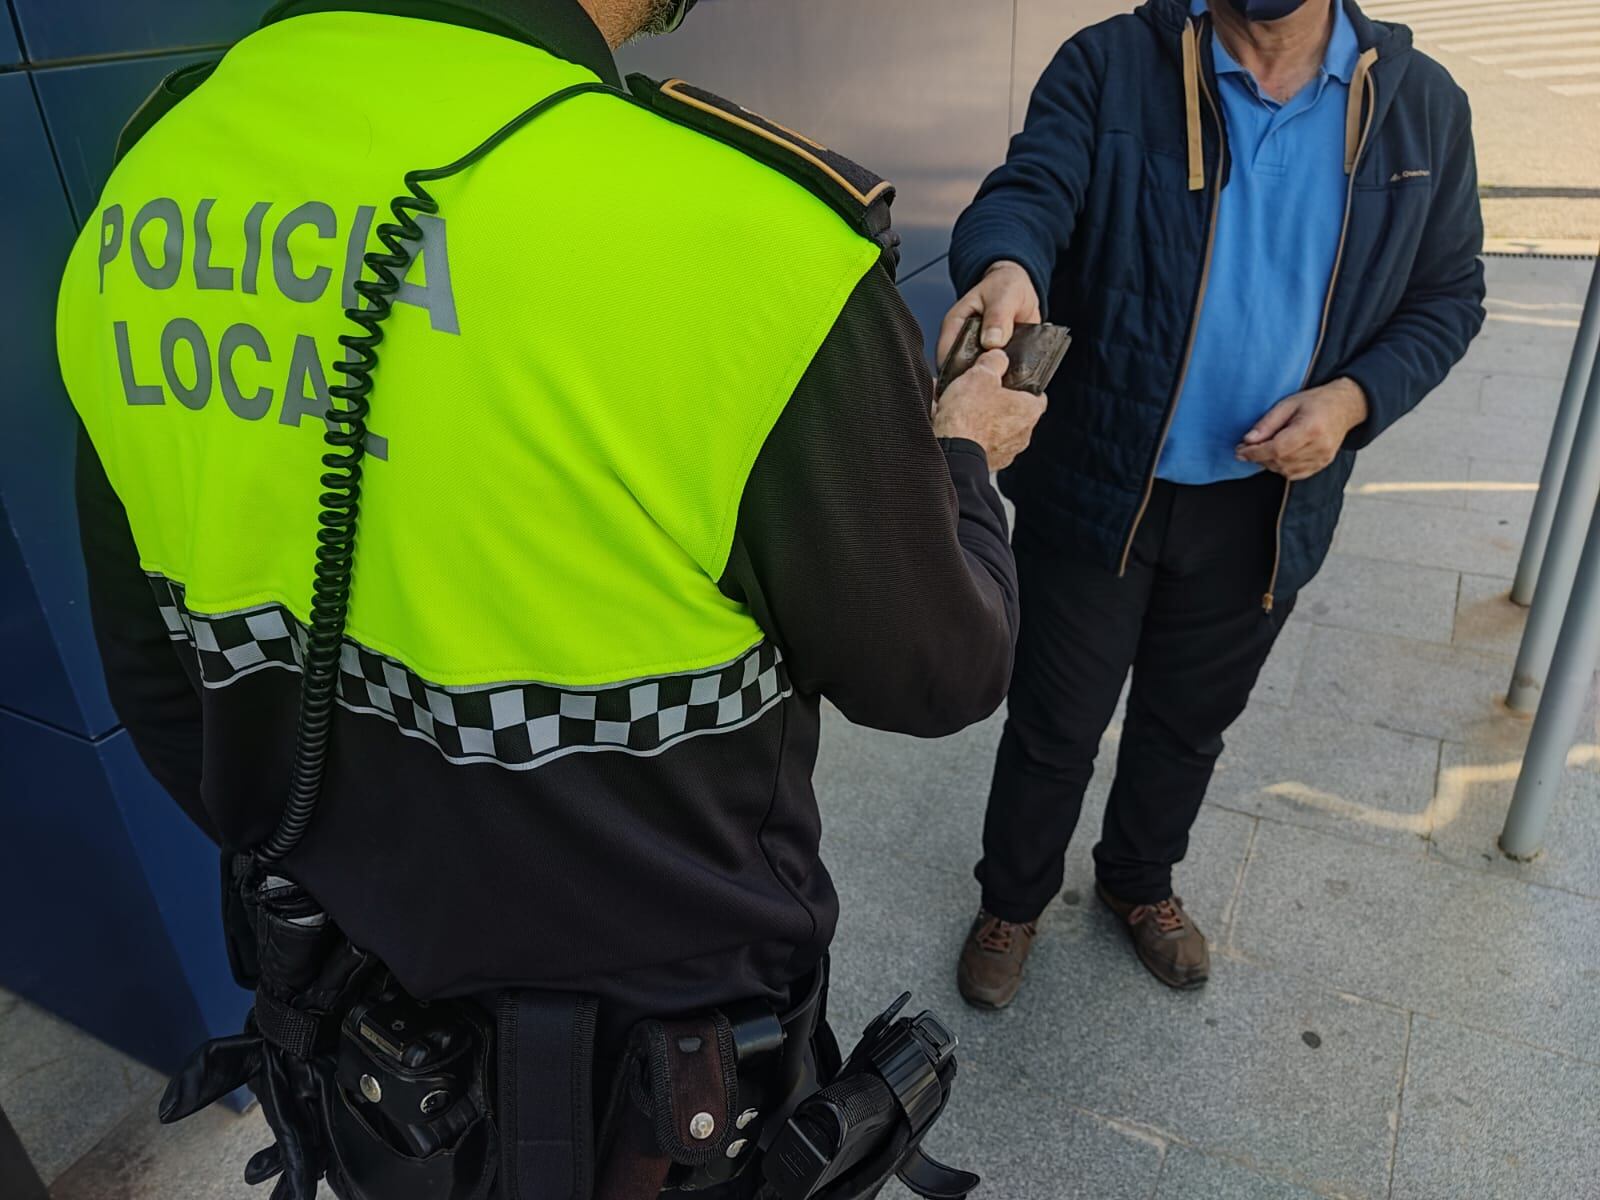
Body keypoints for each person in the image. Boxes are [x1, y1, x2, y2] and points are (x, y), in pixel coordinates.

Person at [56, 0, 1045, 1194]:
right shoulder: (747, 237)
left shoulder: (156, 177)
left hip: (362, 1056)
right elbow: (940, 668)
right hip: (660, 1100)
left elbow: (159, 688)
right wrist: (962, 459)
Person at [948, 0, 1485, 1009]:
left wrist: (1354, 398)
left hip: (1270, 508)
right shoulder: (1112, 64)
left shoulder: (1419, 105)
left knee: (1188, 723)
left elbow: (1451, 291)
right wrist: (1009, 264)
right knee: (1054, 725)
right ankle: (1011, 900)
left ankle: (1137, 881)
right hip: (1101, 482)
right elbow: (1030, 190)